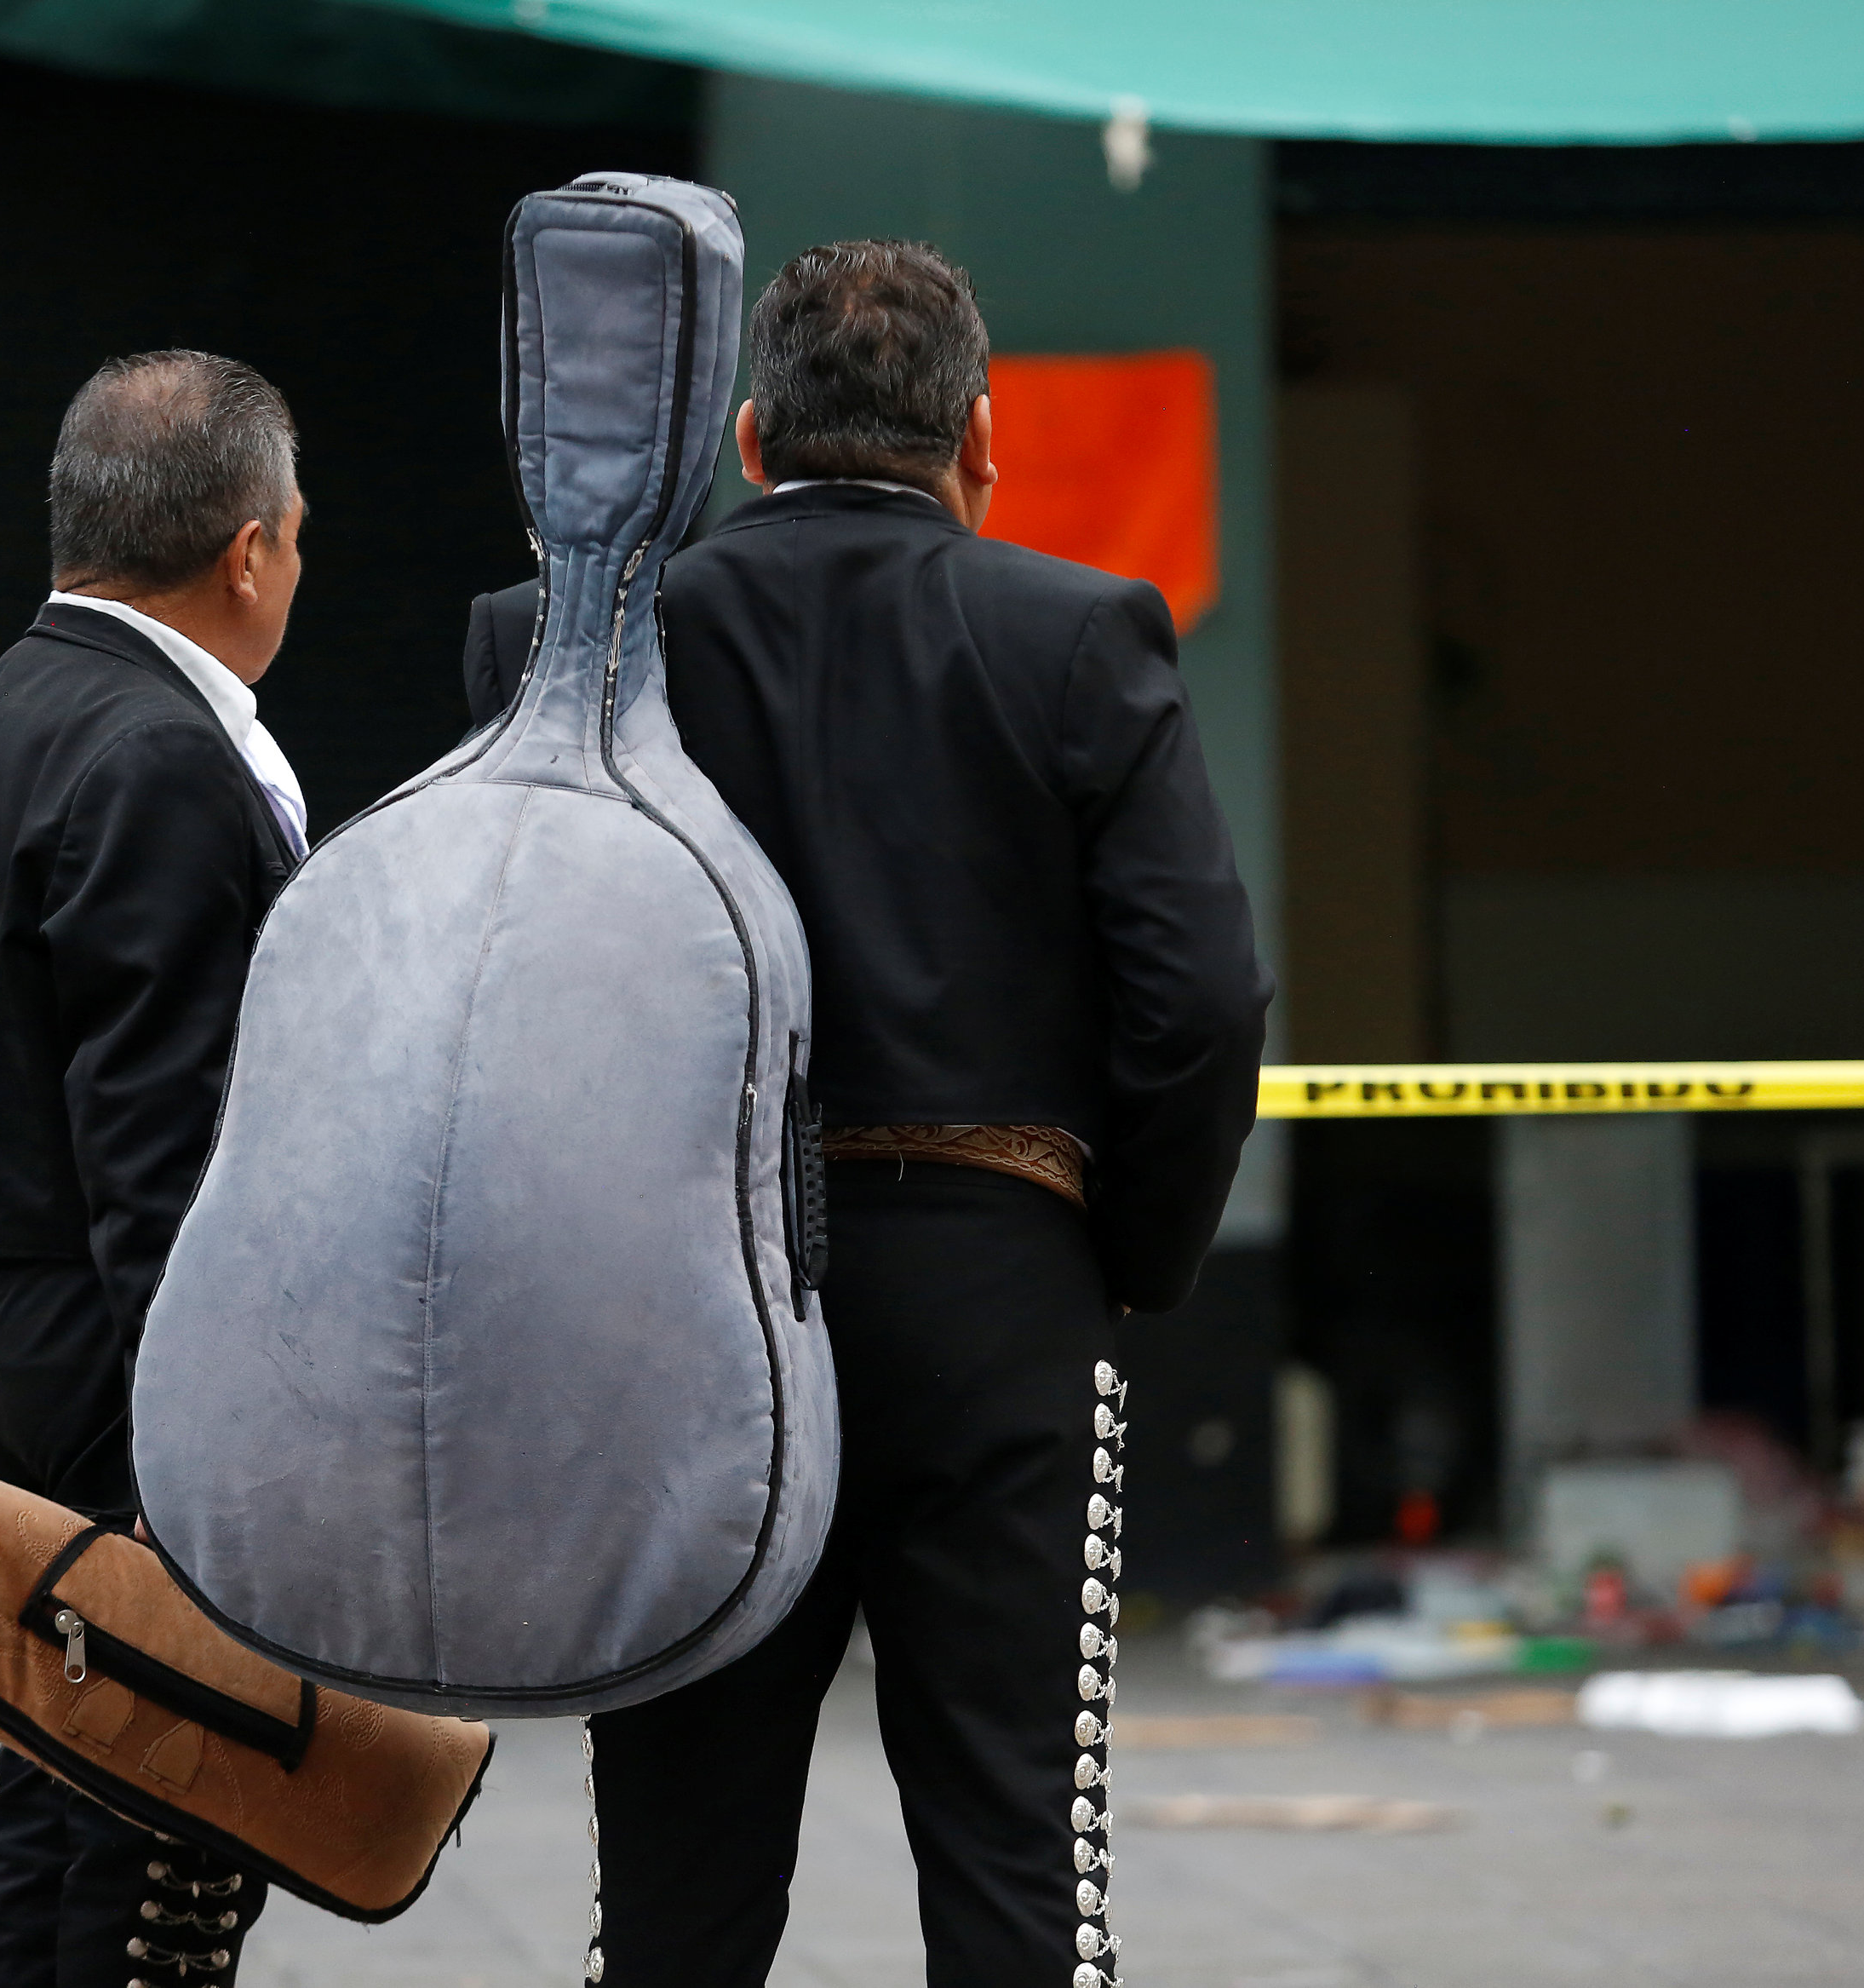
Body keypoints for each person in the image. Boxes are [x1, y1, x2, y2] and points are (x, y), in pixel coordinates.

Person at [462, 241, 1270, 1988]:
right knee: (1010, 1854)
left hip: (684, 1319)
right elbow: (1201, 996)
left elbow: (502, 1003)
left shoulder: (565, 649)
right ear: (982, 437)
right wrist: (1112, 1255)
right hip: (995, 1297)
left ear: (750, 438)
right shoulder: (1080, 637)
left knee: (677, 1882)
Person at [0, 349, 308, 1988]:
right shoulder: (161, 759)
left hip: (15, 1320)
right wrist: (212, 1436)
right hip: (135, 1357)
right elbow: (171, 1149)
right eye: (299, 532)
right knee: (160, 1830)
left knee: (58, 1784)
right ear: (248, 548)